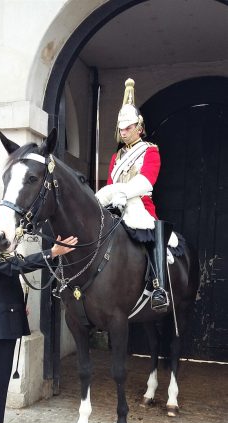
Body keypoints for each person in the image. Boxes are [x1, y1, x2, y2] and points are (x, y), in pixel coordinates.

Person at [0, 201, 78, 423]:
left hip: (3, 322)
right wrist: (52, 253)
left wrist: (20, 305)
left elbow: (6, 281)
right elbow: (17, 267)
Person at [96, 78, 175, 311]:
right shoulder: (116, 157)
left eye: (128, 128)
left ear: (139, 127)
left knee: (150, 237)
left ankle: (158, 287)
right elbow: (111, 183)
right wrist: (106, 197)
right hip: (116, 205)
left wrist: (120, 192)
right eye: (121, 129)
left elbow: (146, 181)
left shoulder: (150, 151)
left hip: (139, 205)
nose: (124, 132)